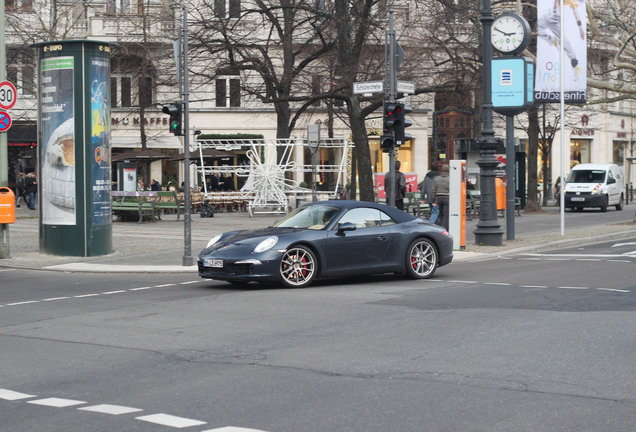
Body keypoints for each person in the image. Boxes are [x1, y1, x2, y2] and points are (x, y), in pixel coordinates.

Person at [538, 0, 585, 81]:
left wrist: (580, 28)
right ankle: (552, 40)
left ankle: (575, 65)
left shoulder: (572, 1)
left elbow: (575, 10)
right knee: (535, 29)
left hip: (555, 14)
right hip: (549, 14)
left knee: (563, 40)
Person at [431, 164, 450, 230]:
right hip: (447, 198)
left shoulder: (437, 179)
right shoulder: (450, 178)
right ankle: (444, 228)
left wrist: (433, 200)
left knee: (441, 214)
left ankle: (441, 227)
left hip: (439, 198)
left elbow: (433, 190)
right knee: (446, 215)